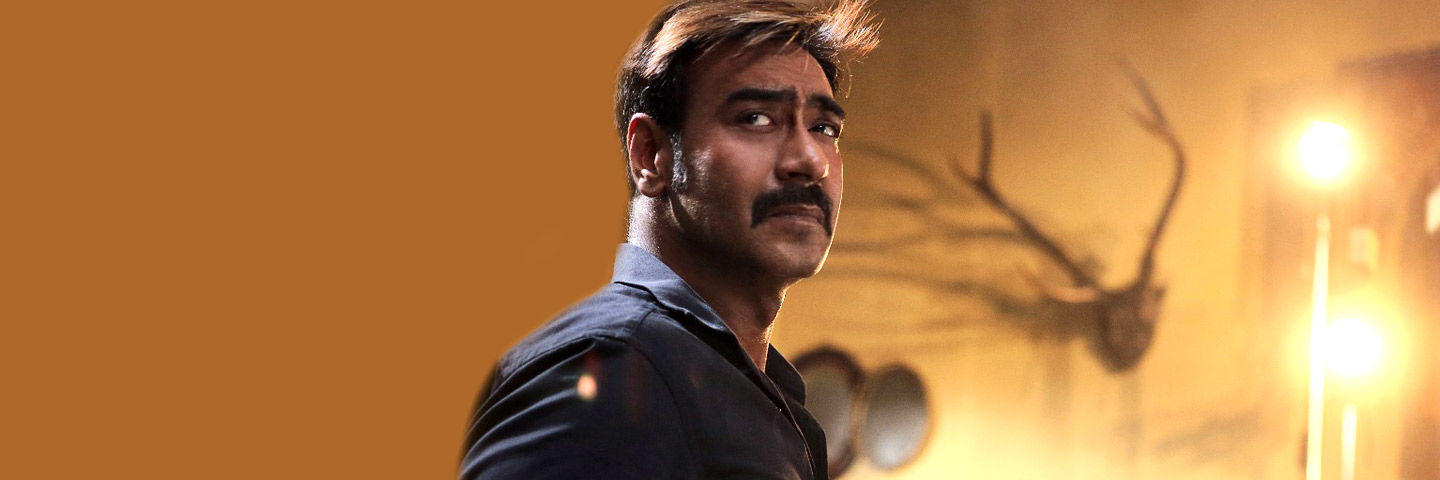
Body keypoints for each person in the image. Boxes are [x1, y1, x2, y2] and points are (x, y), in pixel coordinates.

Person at [460, 1, 877, 478]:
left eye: (824, 128)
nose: (811, 161)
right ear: (650, 154)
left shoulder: (757, 396)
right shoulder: (617, 365)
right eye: (756, 119)